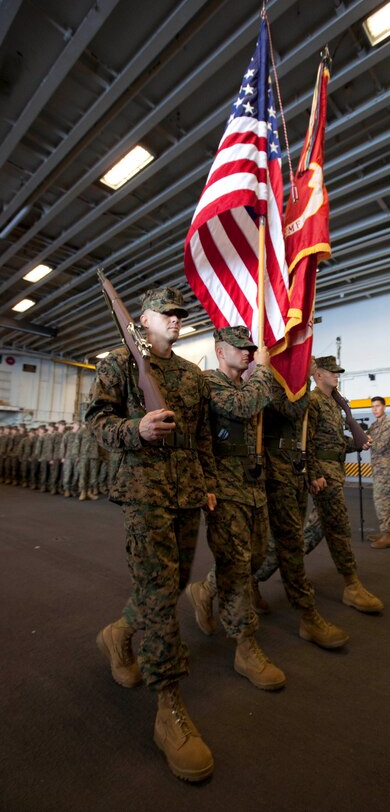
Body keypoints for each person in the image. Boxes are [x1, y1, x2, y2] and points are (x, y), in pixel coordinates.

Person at [86, 286, 217, 782]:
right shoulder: (117, 363)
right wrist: (134, 431)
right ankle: (169, 708)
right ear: (143, 319)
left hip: (186, 496)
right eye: (167, 313)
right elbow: (96, 423)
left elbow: (201, 434)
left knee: (169, 583)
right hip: (144, 493)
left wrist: (205, 483)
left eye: (181, 314)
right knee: (162, 596)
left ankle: (117, 634)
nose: (177, 320)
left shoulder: (188, 374)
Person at [186, 326, 286, 691]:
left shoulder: (250, 385)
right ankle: (245, 646)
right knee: (238, 566)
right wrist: (262, 369)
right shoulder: (209, 382)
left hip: (253, 486)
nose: (248, 353)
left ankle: (206, 590)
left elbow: (265, 408)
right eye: (240, 348)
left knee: (258, 557)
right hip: (223, 490)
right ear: (219, 350)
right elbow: (242, 408)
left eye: (250, 349)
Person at [252, 368, 349, 649]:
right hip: (273, 473)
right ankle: (307, 614)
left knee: (285, 543)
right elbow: (289, 411)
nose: (305, 365)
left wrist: (311, 472)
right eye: (304, 362)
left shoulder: (303, 390)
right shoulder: (280, 385)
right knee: (285, 543)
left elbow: (306, 440)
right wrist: (308, 391)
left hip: (296, 471)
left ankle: (225, 587)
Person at [306, 356, 383, 612]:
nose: (337, 375)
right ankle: (352, 585)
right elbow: (307, 443)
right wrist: (313, 474)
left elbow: (335, 442)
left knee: (308, 535)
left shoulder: (335, 404)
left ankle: (258, 574)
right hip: (324, 477)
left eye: (338, 372)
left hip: (334, 472)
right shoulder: (314, 402)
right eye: (332, 371)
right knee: (339, 528)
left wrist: (357, 442)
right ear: (318, 374)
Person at [366, 397, 390, 548]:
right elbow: (366, 441)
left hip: (386, 469)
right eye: (372, 407)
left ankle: (389, 535)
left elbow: (380, 446)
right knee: (378, 500)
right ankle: (384, 531)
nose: (374, 409)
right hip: (378, 468)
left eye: (377, 406)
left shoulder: (389, 424)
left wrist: (367, 439)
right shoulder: (374, 425)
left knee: (383, 501)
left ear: (384, 407)